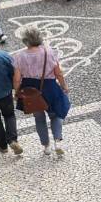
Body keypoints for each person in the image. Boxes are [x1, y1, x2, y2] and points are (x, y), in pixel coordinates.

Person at [12, 24, 71, 156]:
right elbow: (58, 73)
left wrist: (17, 92)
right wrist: (64, 86)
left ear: (25, 40)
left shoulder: (19, 56)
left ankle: (46, 146)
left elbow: (16, 79)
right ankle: (58, 140)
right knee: (55, 113)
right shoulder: (49, 52)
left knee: (39, 118)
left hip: (30, 89)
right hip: (49, 87)